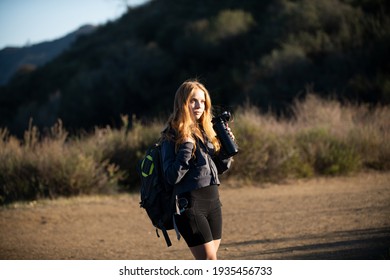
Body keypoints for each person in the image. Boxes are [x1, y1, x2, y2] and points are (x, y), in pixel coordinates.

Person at [160, 79, 234, 260]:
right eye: (193, 100)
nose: (199, 106)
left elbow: (216, 169)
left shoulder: (206, 131)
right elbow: (171, 176)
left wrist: (226, 148)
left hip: (214, 203)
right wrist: (186, 146)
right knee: (209, 261)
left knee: (209, 262)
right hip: (190, 206)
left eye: (202, 101)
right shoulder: (171, 135)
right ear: (182, 103)